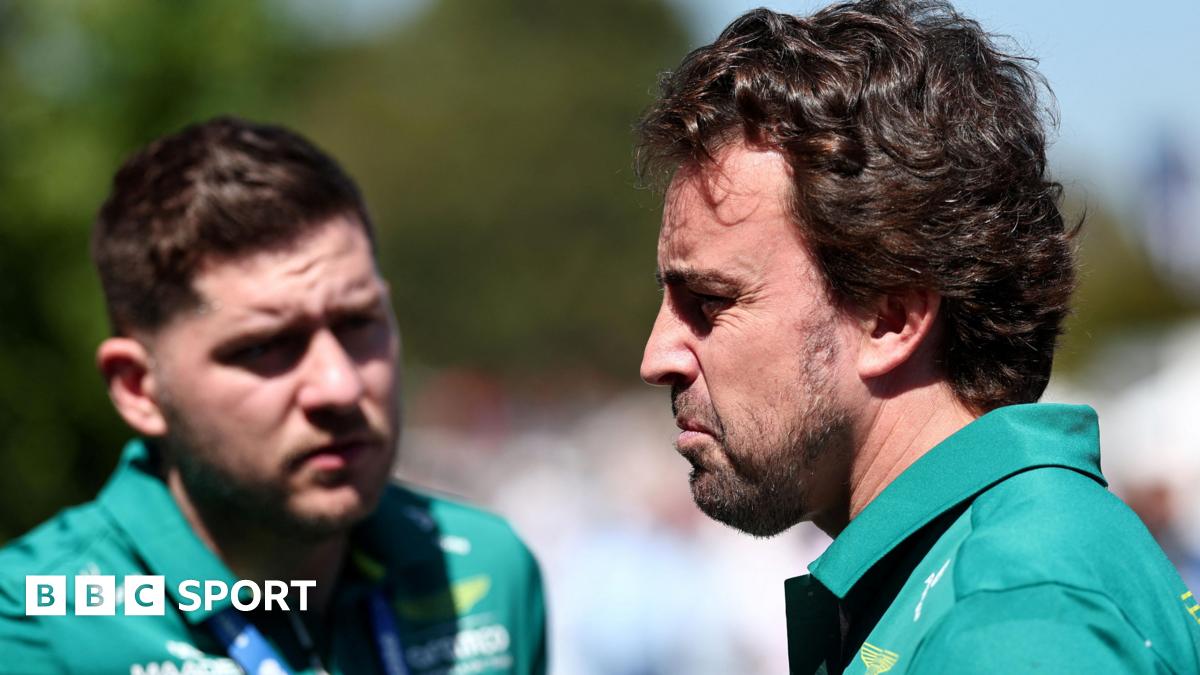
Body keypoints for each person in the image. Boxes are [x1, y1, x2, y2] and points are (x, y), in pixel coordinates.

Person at [634, 1, 1200, 672]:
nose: (657, 356)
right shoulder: (982, 572)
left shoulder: (1015, 616)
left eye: (710, 301)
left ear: (892, 319)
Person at [0, 117, 546, 674]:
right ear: (140, 389)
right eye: (265, 347)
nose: (340, 386)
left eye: (358, 322)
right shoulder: (32, 622)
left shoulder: (486, 570)